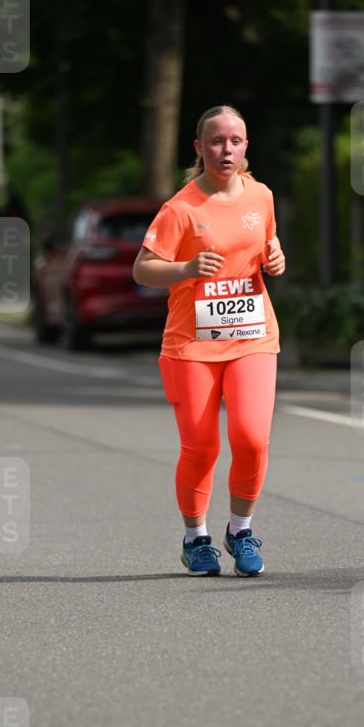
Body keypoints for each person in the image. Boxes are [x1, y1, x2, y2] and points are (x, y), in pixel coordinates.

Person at [133, 104, 286, 577]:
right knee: (201, 446)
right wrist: (183, 269)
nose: (227, 150)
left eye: (236, 141)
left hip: (252, 336)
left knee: (252, 438)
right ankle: (196, 538)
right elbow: (142, 268)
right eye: (217, 141)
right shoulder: (180, 208)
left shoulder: (261, 196)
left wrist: (276, 257)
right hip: (192, 345)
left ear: (246, 147)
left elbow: (266, 247)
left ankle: (240, 530)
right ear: (199, 148)